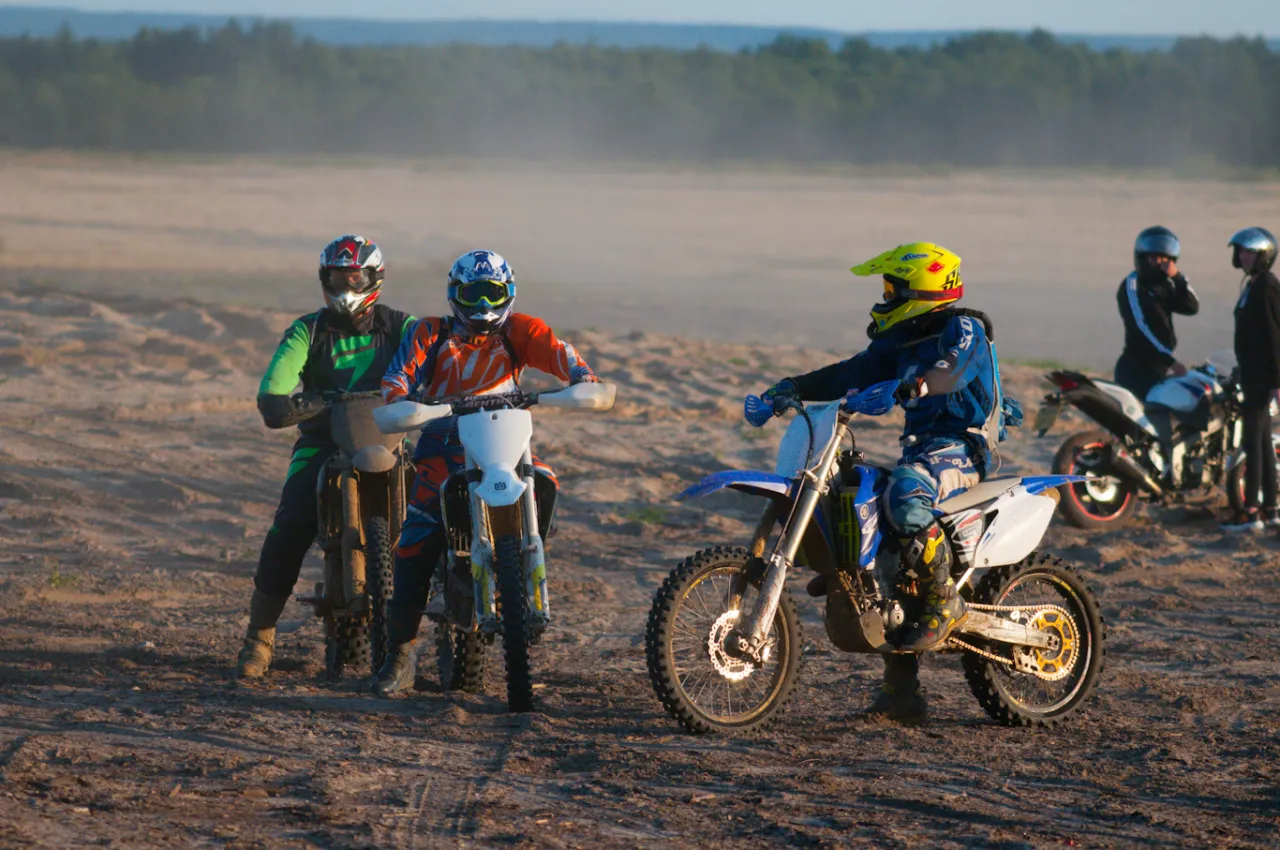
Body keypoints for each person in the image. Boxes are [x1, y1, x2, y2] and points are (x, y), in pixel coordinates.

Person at [761, 242, 1016, 725]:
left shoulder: (963, 329)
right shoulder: (900, 339)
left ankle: (943, 599)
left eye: (891, 288)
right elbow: (848, 373)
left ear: (921, 291)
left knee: (905, 491)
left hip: (962, 448)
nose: (883, 297)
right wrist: (791, 387)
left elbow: (953, 370)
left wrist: (914, 385)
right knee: (874, 537)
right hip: (920, 450)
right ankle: (901, 691)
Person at [371, 250, 599, 696]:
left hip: (508, 445)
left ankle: (524, 564)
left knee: (546, 481)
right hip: (443, 444)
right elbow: (397, 379)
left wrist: (583, 381)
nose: (482, 304)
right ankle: (401, 653)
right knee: (416, 538)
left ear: (508, 293)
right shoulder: (430, 333)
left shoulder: (521, 331)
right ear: (456, 294)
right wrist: (398, 401)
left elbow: (567, 360)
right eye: (473, 293)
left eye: (492, 293)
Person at [237, 235, 416, 679]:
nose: (345, 285)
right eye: (337, 277)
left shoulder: (402, 326)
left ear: (374, 278)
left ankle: (461, 614)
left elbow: (433, 360)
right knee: (291, 521)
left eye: (354, 276)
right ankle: (259, 636)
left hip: (392, 440)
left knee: (438, 515)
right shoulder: (307, 331)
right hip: (321, 441)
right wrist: (280, 401)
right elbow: (275, 383)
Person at [1222, 227, 1280, 532]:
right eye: (1241, 251)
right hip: (1252, 374)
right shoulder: (1253, 284)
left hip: (1262, 377)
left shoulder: (1267, 286)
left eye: (1250, 252)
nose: (1243, 256)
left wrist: (1277, 382)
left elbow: (1275, 336)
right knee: (1262, 443)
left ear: (1264, 256)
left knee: (1252, 442)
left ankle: (1252, 512)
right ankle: (1271, 509)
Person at [1114, 226, 1200, 400]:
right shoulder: (1132, 286)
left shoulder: (1166, 286)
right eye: (1154, 258)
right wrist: (1171, 361)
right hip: (1137, 369)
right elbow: (1140, 327)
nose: (1160, 263)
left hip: (1159, 368)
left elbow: (1191, 307)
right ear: (1142, 257)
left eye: (1165, 259)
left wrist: (1178, 278)